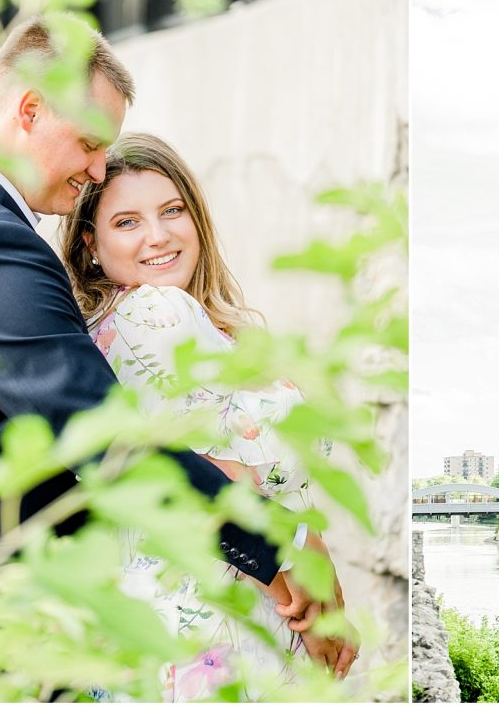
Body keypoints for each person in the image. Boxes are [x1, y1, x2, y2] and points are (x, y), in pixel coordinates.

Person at [0, 14, 343, 667]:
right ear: (30, 109)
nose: (97, 165)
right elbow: (114, 441)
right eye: (89, 141)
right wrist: (282, 546)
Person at [60, 132, 358, 699]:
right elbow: (209, 484)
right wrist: (313, 595)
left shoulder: (166, 327)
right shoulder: (154, 312)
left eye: (173, 210)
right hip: (211, 629)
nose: (158, 235)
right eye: (127, 222)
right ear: (90, 245)